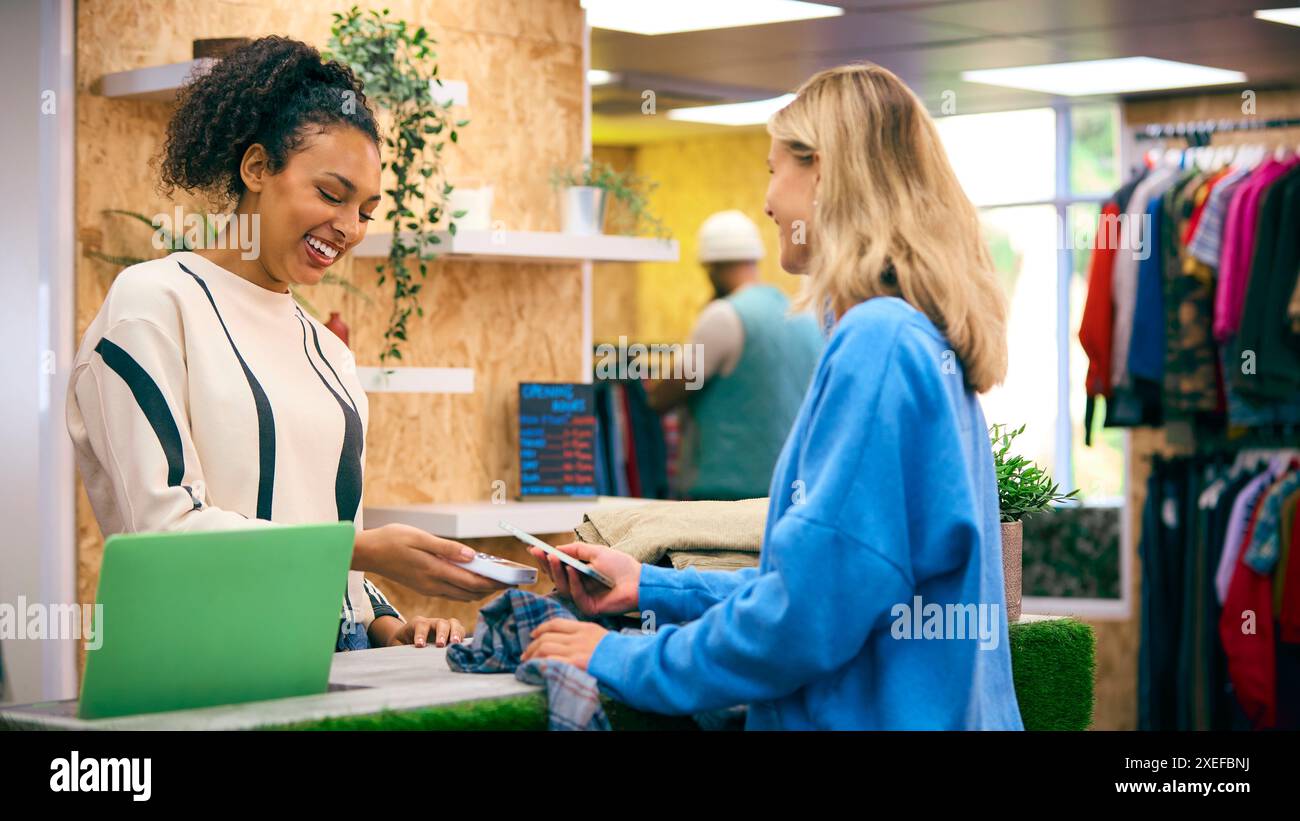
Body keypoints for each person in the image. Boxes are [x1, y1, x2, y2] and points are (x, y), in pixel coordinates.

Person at [523, 62, 1023, 729]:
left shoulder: (877, 341)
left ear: (824, 171)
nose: (768, 202)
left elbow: (804, 620)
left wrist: (621, 659)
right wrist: (652, 584)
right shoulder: (915, 338)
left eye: (772, 169)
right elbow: (828, 585)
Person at [66, 36, 505, 652]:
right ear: (255, 169)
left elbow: (330, 537)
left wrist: (387, 624)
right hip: (196, 669)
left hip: (322, 673)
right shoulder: (154, 305)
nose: (349, 227)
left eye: (367, 210)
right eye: (331, 194)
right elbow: (160, 533)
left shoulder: (329, 353)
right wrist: (365, 549)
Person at [647, 210, 823, 500]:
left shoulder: (723, 317)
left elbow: (663, 396)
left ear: (710, 267)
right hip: (792, 489)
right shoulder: (802, 315)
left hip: (725, 495)